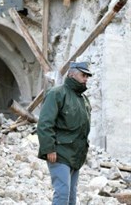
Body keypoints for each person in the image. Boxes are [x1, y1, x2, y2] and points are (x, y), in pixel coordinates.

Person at [37, 61, 92, 205]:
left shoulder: (83, 99)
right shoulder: (56, 93)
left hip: (76, 155)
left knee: (71, 195)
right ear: (72, 74)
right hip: (59, 153)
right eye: (83, 75)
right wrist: (49, 148)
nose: (86, 79)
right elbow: (44, 123)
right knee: (62, 193)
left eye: (87, 76)